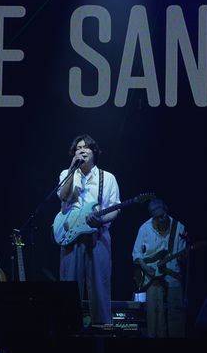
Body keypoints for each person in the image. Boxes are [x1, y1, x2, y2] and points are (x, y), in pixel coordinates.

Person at [57, 134, 120, 325]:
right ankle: (68, 329)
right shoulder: (66, 174)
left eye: (86, 147)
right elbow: (63, 196)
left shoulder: (107, 178)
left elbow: (115, 208)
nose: (82, 150)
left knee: (99, 287)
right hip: (70, 237)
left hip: (97, 236)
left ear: (94, 152)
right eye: (78, 148)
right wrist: (71, 168)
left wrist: (100, 221)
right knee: (69, 286)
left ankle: (101, 330)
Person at [132, 199, 187, 337]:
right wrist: (145, 268)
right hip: (152, 277)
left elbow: (183, 257)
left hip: (172, 274)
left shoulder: (179, 227)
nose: (161, 219)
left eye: (162, 215)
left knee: (176, 313)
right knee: (155, 314)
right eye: (157, 217)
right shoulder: (145, 228)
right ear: (152, 217)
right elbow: (136, 253)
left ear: (166, 211)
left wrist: (184, 257)